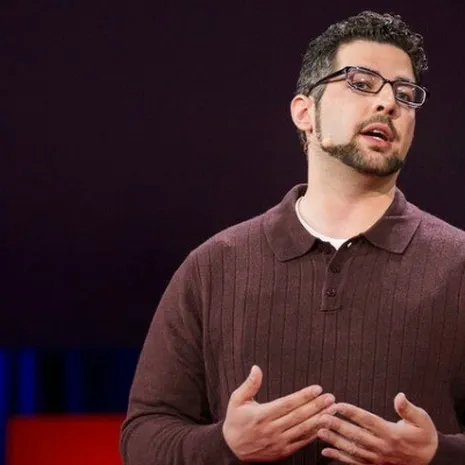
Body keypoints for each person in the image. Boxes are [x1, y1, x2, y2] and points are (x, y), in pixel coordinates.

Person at [120, 10, 465, 465]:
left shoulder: (458, 265)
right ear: (305, 112)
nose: (388, 103)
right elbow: (143, 438)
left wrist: (438, 454)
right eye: (362, 83)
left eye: (404, 93)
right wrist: (224, 446)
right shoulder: (214, 267)